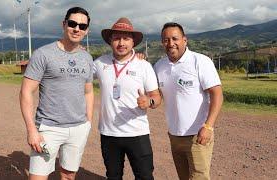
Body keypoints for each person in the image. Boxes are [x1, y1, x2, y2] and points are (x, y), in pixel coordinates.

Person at [19, 7, 93, 180]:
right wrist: (31, 130)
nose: (77, 29)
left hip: (78, 128)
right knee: (38, 177)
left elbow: (88, 91)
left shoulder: (87, 58)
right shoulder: (43, 54)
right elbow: (26, 92)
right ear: (64, 24)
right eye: (73, 23)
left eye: (82, 26)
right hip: (48, 129)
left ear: (87, 30)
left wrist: (88, 122)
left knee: (68, 175)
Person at [93, 17, 161, 180]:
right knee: (113, 176)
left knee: (145, 176)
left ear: (133, 42)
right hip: (109, 134)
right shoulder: (100, 63)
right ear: (110, 40)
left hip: (137, 133)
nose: (121, 43)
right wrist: (77, 51)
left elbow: (156, 97)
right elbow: (79, 75)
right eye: (116, 38)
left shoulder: (143, 65)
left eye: (126, 38)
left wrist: (149, 102)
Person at [154, 22, 223, 180]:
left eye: (175, 38)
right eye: (166, 40)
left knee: (199, 177)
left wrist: (208, 126)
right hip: (174, 135)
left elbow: (217, 94)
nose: (171, 43)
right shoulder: (159, 66)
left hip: (198, 135)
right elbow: (156, 94)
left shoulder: (200, 61)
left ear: (185, 40)